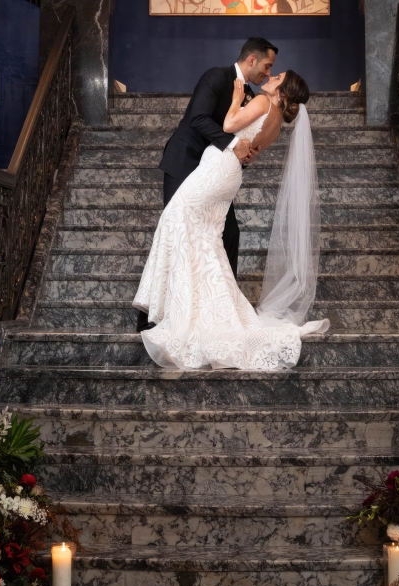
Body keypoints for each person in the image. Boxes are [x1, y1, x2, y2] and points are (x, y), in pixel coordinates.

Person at [132, 68, 329, 370]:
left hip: (218, 167)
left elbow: (228, 124)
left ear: (284, 90)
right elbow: (251, 151)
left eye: (277, 77)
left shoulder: (263, 103)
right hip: (229, 173)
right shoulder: (277, 122)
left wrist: (236, 100)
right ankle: (195, 306)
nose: (271, 76)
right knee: (204, 237)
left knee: (176, 218)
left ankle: (180, 309)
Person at [136, 37, 278, 333]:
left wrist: (247, 151)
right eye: (267, 66)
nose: (267, 73)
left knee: (230, 232)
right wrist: (234, 144)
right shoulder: (216, 76)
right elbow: (198, 118)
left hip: (212, 171)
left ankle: (219, 311)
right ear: (251, 60)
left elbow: (244, 133)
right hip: (185, 160)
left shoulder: (252, 96)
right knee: (178, 230)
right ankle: (154, 317)